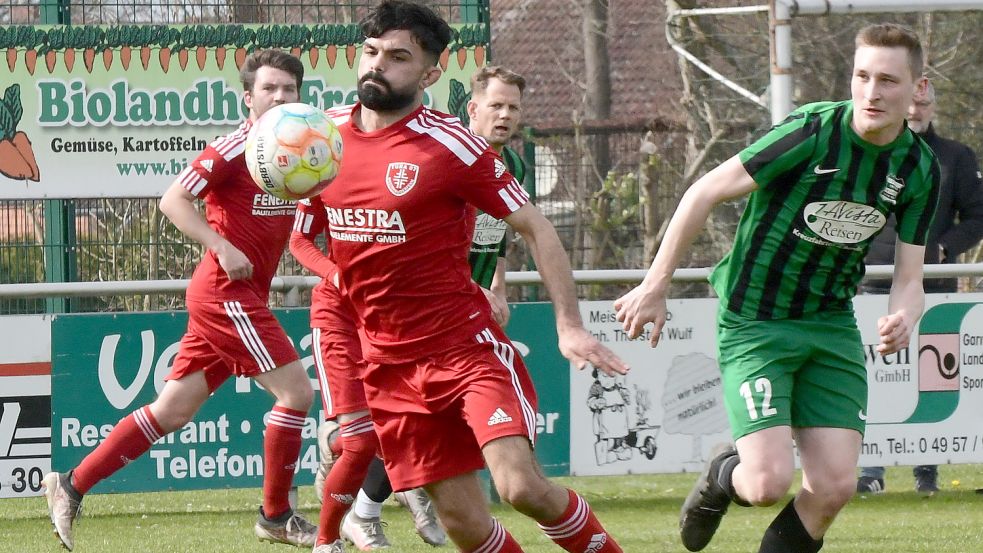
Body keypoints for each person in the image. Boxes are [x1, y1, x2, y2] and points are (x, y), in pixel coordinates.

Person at [312, 2, 629, 552]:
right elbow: (301, 229)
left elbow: (536, 228)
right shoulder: (324, 137)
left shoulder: (453, 145)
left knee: (521, 487)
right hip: (386, 364)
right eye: (370, 52)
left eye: (398, 56)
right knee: (463, 526)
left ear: (431, 74)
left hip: (463, 351)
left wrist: (570, 325)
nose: (377, 65)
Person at [614, 23, 939, 553]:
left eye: (887, 80)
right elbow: (702, 193)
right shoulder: (811, 132)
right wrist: (656, 283)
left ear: (917, 89)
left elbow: (910, 279)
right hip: (756, 322)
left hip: (830, 325)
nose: (872, 92)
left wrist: (906, 315)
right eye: (862, 76)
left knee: (834, 487)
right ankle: (724, 474)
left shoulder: (918, 168)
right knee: (765, 485)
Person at [41, 50, 318, 551]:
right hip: (224, 294)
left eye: (289, 89)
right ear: (247, 98)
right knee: (297, 393)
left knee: (172, 411)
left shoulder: (297, 150)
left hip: (241, 295)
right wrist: (221, 244)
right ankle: (276, 516)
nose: (280, 97)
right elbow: (172, 200)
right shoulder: (234, 149)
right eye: (269, 88)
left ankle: (71, 484)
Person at [305, 63, 532, 551]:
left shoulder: (510, 163)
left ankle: (378, 502)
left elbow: (500, 239)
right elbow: (308, 238)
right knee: (363, 436)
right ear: (472, 108)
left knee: (489, 477)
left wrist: (497, 289)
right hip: (373, 317)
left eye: (514, 106)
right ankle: (341, 517)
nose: (506, 115)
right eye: (496, 105)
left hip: (452, 323)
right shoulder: (431, 151)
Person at [857, 80, 983, 496]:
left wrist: (945, 248)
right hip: (868, 282)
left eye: (922, 101)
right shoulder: (866, 152)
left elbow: (978, 216)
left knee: (931, 380)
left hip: (932, 287)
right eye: (909, 100)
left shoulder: (955, 157)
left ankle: (926, 474)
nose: (915, 108)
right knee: (869, 379)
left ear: (930, 105)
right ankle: (869, 472)